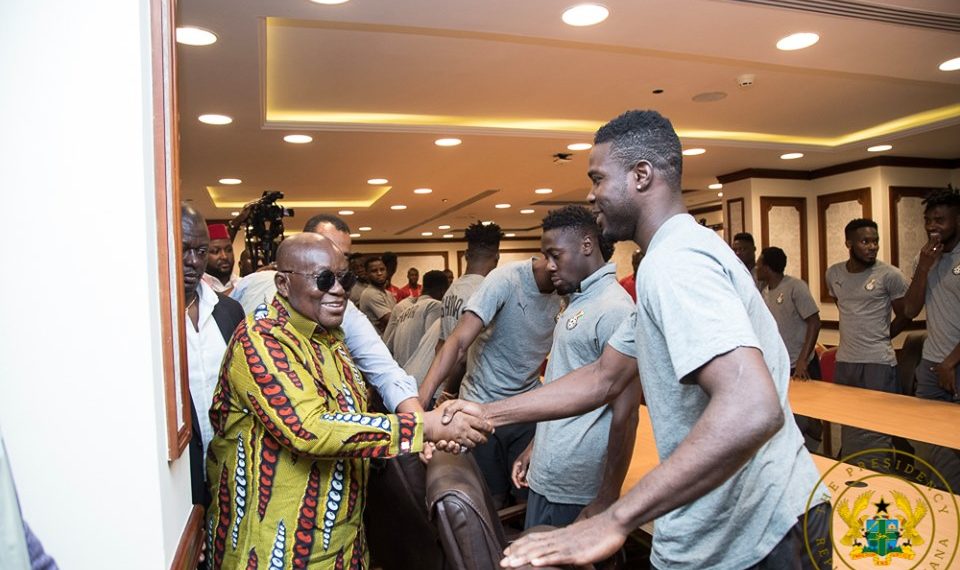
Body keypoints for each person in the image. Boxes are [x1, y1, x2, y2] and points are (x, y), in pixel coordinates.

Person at [445, 110, 829, 569]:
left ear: (641, 175)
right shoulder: (664, 261)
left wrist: (614, 518)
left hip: (760, 535)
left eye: (598, 178)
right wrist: (487, 412)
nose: (591, 194)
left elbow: (752, 405)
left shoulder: (676, 263)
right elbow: (605, 377)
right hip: (736, 528)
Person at [204, 233, 492, 569]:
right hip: (274, 549)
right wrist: (423, 426)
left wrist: (421, 431)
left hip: (344, 540)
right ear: (282, 283)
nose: (339, 290)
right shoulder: (261, 340)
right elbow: (309, 429)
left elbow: (362, 406)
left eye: (345, 278)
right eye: (324, 279)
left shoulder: (332, 337)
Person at [515, 205, 642, 530]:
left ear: (587, 245)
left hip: (576, 485)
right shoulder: (580, 300)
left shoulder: (613, 308)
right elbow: (562, 382)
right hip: (548, 472)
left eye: (555, 255)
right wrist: (535, 446)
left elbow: (626, 415)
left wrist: (608, 496)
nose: (549, 266)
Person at [230, 214, 421, 415]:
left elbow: (384, 370)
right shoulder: (253, 292)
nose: (334, 260)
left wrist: (421, 424)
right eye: (324, 249)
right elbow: (310, 429)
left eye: (343, 257)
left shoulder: (340, 310)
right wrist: (411, 430)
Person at [420, 256, 561, 508]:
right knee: (491, 500)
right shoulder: (505, 280)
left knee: (527, 497)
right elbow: (459, 342)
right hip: (481, 406)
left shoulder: (570, 289)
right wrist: (420, 409)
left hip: (526, 409)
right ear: (554, 259)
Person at [826, 218, 908, 464]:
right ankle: (852, 473)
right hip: (846, 362)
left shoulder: (890, 275)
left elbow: (906, 313)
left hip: (878, 362)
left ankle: (879, 478)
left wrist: (883, 335)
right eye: (865, 241)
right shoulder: (834, 273)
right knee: (850, 422)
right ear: (849, 243)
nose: (872, 246)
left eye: (875, 241)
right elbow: (844, 307)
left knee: (877, 427)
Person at [181, 203, 245, 506]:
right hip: (180, 478)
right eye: (183, 250)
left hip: (230, 471)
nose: (193, 262)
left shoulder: (229, 312)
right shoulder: (151, 322)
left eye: (201, 252)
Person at [901, 187, 960, 491]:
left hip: (954, 365)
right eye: (928, 220)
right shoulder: (924, 259)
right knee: (926, 442)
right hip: (932, 366)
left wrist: (951, 363)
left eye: (940, 220)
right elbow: (910, 309)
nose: (932, 227)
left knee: (954, 446)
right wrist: (923, 268)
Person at [756, 246, 823, 452]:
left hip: (801, 364)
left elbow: (814, 322)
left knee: (811, 415)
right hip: (779, 365)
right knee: (789, 413)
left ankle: (815, 451)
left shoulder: (795, 287)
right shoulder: (763, 291)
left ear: (768, 268)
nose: (757, 267)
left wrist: (803, 360)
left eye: (760, 263)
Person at [435, 222, 502, 401]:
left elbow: (440, 346)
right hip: (475, 391)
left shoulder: (451, 289)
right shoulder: (487, 291)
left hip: (453, 385)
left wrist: (440, 386)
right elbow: (464, 353)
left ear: (466, 255)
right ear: (497, 256)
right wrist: (449, 392)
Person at [387, 270, 448, 367]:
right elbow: (433, 346)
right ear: (442, 290)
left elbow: (389, 346)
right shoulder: (434, 305)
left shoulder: (405, 311)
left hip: (401, 373)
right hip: (419, 376)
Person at [358, 256, 396, 335]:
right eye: (374, 271)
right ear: (367, 274)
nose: (379, 273)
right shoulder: (370, 293)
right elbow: (392, 320)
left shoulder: (388, 294)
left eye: (382, 269)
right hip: (376, 343)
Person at [201, 223, 240, 294]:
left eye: (228, 250)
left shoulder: (241, 282)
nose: (224, 256)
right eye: (216, 251)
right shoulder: (197, 286)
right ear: (203, 255)